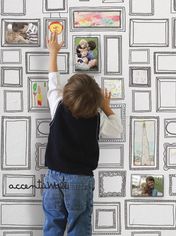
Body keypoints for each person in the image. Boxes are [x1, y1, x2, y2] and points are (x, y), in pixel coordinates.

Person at [42, 32, 123, 236]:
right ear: (96, 103)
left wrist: (53, 52)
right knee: (79, 225)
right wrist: (106, 107)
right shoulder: (97, 119)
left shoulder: (57, 105)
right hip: (80, 180)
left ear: (66, 93)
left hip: (53, 177)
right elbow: (117, 128)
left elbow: (53, 81)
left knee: (52, 223)